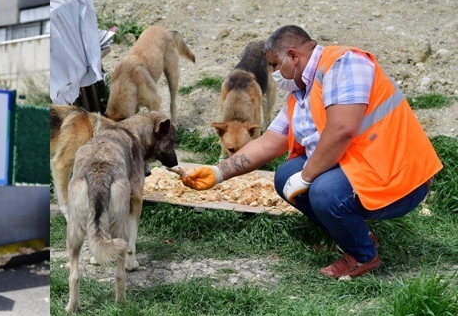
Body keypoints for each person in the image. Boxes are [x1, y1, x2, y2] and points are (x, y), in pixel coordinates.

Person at [181, 25, 441, 279]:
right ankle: (346, 238)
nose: (272, 73)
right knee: (284, 176)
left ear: (293, 55)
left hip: (401, 175)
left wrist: (306, 177)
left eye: (274, 64)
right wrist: (218, 172)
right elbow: (269, 141)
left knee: (323, 191)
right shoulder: (300, 90)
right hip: (364, 165)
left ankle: (363, 255)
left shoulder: (345, 64)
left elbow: (341, 130)